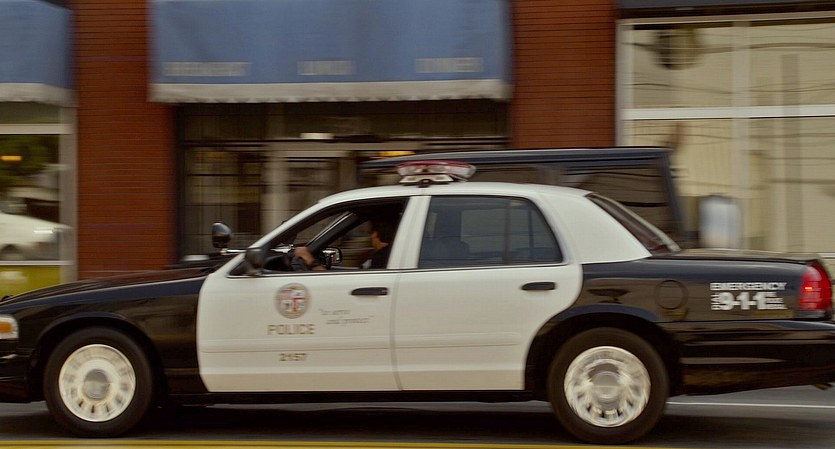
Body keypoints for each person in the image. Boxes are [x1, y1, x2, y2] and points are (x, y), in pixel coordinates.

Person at [293, 215, 397, 271]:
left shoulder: (381, 258)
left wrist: (311, 261)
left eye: (369, 233)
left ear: (375, 234)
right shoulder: (390, 255)